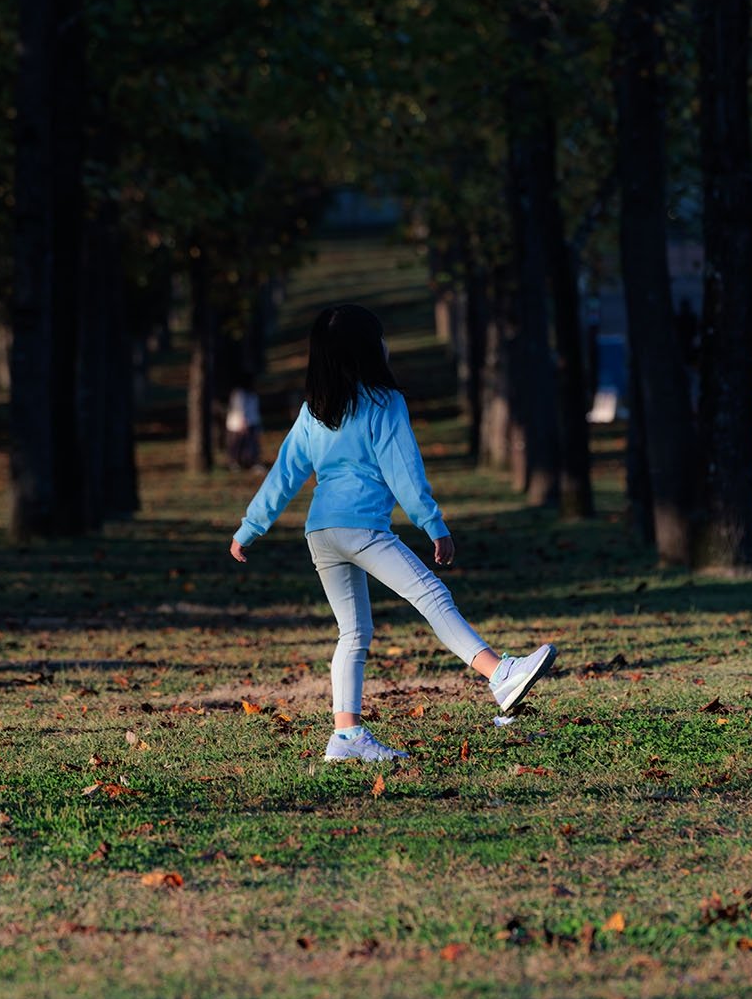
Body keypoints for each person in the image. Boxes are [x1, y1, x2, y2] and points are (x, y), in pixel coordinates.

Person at [229, 303, 556, 764]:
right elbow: (404, 471)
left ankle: (346, 738)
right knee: (432, 596)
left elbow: (284, 473)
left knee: (354, 632)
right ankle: (499, 673)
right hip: (362, 527)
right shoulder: (385, 402)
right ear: (368, 350)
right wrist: (433, 525)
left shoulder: (314, 411)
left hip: (321, 532)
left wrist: (250, 528)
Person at [225, 373, 262, 470]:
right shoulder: (239, 393)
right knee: (237, 445)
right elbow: (239, 408)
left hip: (252, 422)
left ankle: (251, 463)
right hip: (238, 424)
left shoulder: (252, 393)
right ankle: (235, 464)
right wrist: (243, 423)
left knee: (251, 446)